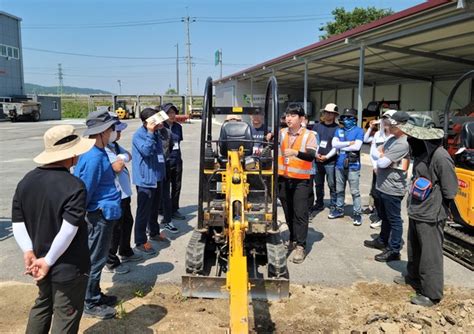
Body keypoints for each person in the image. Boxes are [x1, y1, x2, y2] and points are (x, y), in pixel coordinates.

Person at [12, 125, 94, 333]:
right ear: (71, 154)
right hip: (67, 265)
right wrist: (48, 261)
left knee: (43, 305)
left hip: (39, 259)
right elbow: (69, 230)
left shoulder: (26, 181)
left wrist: (29, 252)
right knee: (66, 313)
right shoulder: (74, 185)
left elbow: (18, 222)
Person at [394, 119, 457, 307]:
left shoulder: (440, 157)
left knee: (431, 254)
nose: (410, 140)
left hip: (431, 213)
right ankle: (413, 277)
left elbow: (450, 189)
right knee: (415, 249)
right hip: (417, 209)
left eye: (413, 136)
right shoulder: (422, 152)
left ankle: (431, 293)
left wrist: (445, 208)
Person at [74, 111, 122, 319]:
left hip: (105, 213)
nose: (114, 132)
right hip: (98, 215)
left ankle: (94, 293)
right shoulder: (93, 156)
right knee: (96, 258)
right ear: (102, 131)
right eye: (111, 128)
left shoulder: (99, 151)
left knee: (98, 257)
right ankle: (90, 302)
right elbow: (85, 190)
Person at [364, 111, 410, 262]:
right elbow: (376, 153)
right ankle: (383, 240)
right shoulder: (392, 139)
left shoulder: (403, 143)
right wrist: (384, 158)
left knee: (394, 219)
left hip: (393, 187)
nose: (389, 126)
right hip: (383, 184)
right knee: (384, 216)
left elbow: (382, 162)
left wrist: (384, 158)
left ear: (402, 126)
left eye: (392, 125)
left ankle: (394, 249)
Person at [277, 103, 317, 264]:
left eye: (293, 115)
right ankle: (292, 239)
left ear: (301, 119)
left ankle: (301, 245)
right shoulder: (281, 133)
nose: (289, 118)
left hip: (301, 181)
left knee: (300, 214)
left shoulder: (309, 135)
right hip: (283, 179)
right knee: (288, 212)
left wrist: (296, 152)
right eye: (287, 115)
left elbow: (311, 156)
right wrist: (269, 137)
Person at [104, 118, 143, 274]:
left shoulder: (114, 146)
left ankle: (125, 250)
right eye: (117, 131)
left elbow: (128, 155)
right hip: (115, 194)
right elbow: (118, 166)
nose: (119, 134)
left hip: (124, 193)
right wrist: (122, 158)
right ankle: (110, 261)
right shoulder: (104, 148)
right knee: (115, 228)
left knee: (127, 221)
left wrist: (122, 156)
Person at [132, 108, 167, 255]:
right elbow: (146, 151)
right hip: (146, 179)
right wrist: (150, 132)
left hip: (157, 177)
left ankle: (154, 232)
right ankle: (140, 240)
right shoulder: (139, 135)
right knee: (143, 211)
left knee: (154, 209)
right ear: (148, 122)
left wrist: (158, 129)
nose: (159, 122)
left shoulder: (158, 133)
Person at [331, 108, 364, 226]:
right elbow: (334, 144)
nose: (346, 120)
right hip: (339, 165)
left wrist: (341, 146)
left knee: (355, 192)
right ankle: (339, 210)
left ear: (354, 120)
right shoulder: (338, 131)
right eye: (345, 117)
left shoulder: (359, 131)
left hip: (353, 165)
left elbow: (357, 147)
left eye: (349, 118)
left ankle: (357, 213)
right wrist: (349, 143)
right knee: (339, 190)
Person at [363, 110, 395, 229]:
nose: (385, 121)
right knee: (376, 195)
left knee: (387, 196)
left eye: (388, 119)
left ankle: (386, 218)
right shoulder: (378, 135)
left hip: (390, 171)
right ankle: (380, 216)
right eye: (384, 119)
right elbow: (372, 153)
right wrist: (375, 166)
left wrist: (382, 157)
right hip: (378, 170)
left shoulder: (395, 136)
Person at [312, 103, 339, 213]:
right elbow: (312, 142)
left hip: (330, 161)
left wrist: (326, 157)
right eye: (326, 112)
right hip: (317, 160)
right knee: (318, 184)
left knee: (332, 184)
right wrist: (316, 155)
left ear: (334, 115)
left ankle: (333, 204)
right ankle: (319, 203)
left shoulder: (337, 129)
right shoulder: (317, 126)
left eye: (330, 113)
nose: (328, 115)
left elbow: (337, 147)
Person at [163, 103, 186, 220]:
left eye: (173, 113)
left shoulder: (178, 127)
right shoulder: (160, 127)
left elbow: (178, 142)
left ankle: (174, 209)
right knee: (165, 187)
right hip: (165, 161)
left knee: (177, 186)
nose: (171, 115)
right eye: (168, 113)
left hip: (177, 160)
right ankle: (164, 210)